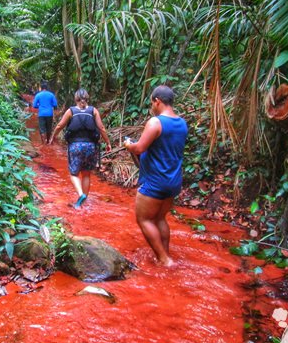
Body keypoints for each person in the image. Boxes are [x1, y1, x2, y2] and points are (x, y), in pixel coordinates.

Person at [124, 85, 187, 267]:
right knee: (160, 218)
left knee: (143, 219)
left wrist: (129, 145)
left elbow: (140, 148)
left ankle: (164, 259)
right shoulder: (181, 123)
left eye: (152, 102)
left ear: (157, 101)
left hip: (154, 180)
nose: (151, 106)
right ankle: (165, 254)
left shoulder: (156, 122)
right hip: (173, 180)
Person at [48, 88, 112, 208]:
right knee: (86, 174)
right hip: (91, 147)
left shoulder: (71, 111)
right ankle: (84, 202)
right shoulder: (93, 111)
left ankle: (81, 194)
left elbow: (60, 125)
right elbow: (101, 128)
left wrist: (53, 137)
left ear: (75, 99)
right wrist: (108, 143)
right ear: (87, 98)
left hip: (75, 146)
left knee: (73, 174)